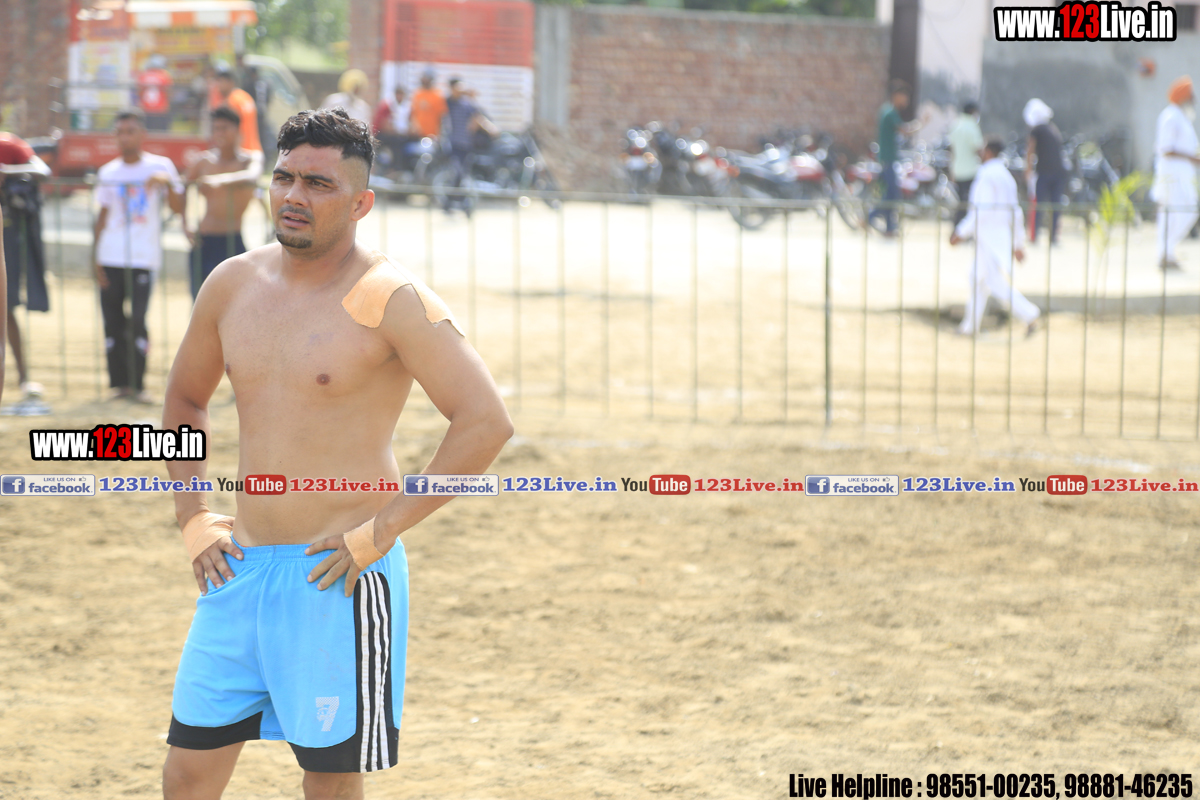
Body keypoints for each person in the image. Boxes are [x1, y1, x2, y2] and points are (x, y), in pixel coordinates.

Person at [159, 107, 513, 799]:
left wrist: (383, 531)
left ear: (360, 204)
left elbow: (485, 422)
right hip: (238, 573)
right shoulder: (231, 283)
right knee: (187, 776)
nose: (294, 196)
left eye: (318, 184)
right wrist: (193, 515)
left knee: (327, 781)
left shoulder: (392, 298)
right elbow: (184, 400)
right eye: (284, 178)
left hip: (339, 576)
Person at [93, 109, 185, 403]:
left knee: (137, 321)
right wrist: (94, 257)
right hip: (111, 255)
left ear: (142, 134)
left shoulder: (160, 166)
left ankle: (138, 384)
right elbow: (102, 216)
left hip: (143, 258)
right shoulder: (108, 172)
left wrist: (167, 182)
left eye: (130, 131)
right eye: (119, 132)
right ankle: (119, 384)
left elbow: (178, 208)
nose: (125, 137)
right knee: (112, 321)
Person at [950, 137, 1041, 337]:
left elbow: (980, 210)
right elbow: (1016, 212)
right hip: (997, 237)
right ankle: (969, 327)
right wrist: (1017, 243)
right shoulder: (1006, 177)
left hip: (988, 237)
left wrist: (961, 232)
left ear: (989, 152)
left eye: (983, 149)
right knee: (977, 279)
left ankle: (1030, 315)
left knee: (994, 283)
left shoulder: (987, 175)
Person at [183, 105, 264, 298]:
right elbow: (183, 187)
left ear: (237, 130)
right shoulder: (204, 161)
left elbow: (253, 175)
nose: (219, 133)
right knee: (200, 301)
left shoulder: (249, 159)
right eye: (216, 128)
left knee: (236, 302)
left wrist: (220, 181)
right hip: (204, 241)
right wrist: (184, 223)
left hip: (233, 240)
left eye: (224, 128)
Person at [0, 130, 52, 404]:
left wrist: (6, 171)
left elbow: (42, 170)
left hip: (6, 231)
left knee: (5, 307)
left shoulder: (8, 144)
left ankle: (22, 378)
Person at [1152, 75, 1200, 272]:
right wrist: (1192, 158)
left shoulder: (1182, 117)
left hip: (1183, 174)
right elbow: (1165, 149)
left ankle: (1168, 252)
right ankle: (1164, 253)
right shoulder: (1170, 116)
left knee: (1187, 211)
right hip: (1171, 174)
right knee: (1172, 213)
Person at [866, 81, 921, 237]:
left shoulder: (888, 111)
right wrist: (922, 123)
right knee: (891, 195)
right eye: (904, 96)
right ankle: (869, 218)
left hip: (887, 159)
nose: (906, 101)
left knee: (890, 195)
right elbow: (906, 130)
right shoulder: (890, 113)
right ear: (896, 95)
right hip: (887, 160)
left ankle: (889, 228)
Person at [1023, 98, 1067, 246]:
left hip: (1044, 173)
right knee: (1055, 206)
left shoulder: (1037, 130)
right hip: (1058, 173)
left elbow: (1030, 150)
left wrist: (1028, 170)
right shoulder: (1053, 128)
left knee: (1038, 205)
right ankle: (1053, 237)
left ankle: (1034, 236)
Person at [948, 100, 984, 227]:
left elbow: (952, 151)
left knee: (961, 202)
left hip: (957, 170)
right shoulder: (972, 126)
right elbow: (978, 149)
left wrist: (952, 170)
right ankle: (960, 228)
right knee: (967, 203)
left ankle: (958, 227)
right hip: (970, 171)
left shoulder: (955, 125)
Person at [211, 65, 262, 153]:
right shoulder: (245, 96)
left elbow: (233, 128)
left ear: (230, 82)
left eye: (220, 81)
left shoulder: (231, 102)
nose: (218, 86)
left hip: (241, 151)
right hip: (254, 149)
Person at [373, 86, 412, 176]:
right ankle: (393, 168)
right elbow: (384, 125)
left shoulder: (405, 107)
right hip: (381, 134)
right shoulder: (387, 105)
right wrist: (399, 131)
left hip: (396, 134)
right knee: (396, 143)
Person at [138, 54, 174, 131]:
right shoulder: (164, 75)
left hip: (146, 109)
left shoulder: (143, 75)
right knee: (160, 132)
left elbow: (139, 92)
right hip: (161, 109)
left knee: (147, 131)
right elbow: (169, 92)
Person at [408, 70, 446, 140]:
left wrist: (439, 133)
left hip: (432, 134)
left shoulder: (437, 95)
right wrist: (414, 127)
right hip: (418, 133)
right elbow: (413, 113)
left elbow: (441, 116)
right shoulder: (417, 94)